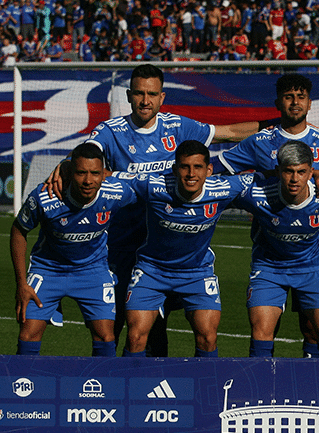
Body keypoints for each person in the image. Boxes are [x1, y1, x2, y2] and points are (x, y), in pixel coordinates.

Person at [46, 64, 264, 357]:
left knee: (158, 326)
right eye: (138, 93)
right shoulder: (111, 131)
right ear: (129, 95)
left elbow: (230, 132)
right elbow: (88, 156)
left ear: (162, 97)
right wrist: (65, 164)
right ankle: (109, 389)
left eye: (151, 94)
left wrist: (280, 125)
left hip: (164, 248)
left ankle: (156, 395)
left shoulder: (178, 126)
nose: (145, 100)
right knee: (116, 326)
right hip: (120, 246)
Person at [211, 73, 319, 358]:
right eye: (289, 97)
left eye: (301, 97)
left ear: (309, 104)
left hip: (311, 256)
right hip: (269, 253)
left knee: (315, 330)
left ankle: (316, 387)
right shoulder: (259, 142)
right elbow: (215, 168)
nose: (295, 102)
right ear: (278, 102)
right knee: (264, 330)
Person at [121, 140, 253, 357]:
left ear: (209, 170)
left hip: (197, 274)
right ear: (175, 169)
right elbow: (109, 176)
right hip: (152, 271)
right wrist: (66, 168)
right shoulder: (154, 186)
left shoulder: (224, 189)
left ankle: (205, 389)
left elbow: (271, 179)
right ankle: (131, 388)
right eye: (184, 167)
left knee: (208, 336)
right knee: (135, 337)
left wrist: (315, 176)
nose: (191, 174)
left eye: (198, 167)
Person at [233, 140, 319, 358]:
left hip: (313, 268)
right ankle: (263, 389)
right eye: (288, 172)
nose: (294, 179)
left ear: (311, 172)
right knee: (261, 332)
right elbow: (214, 195)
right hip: (269, 269)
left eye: (301, 172)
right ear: (277, 171)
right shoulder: (256, 195)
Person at [12, 144, 135, 357]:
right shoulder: (45, 197)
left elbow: (152, 198)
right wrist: (22, 284)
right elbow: (18, 231)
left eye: (95, 173)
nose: (88, 180)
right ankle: (23, 388)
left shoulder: (116, 192)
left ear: (104, 174)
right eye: (81, 173)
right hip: (48, 269)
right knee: (28, 333)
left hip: (92, 270)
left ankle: (102, 387)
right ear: (69, 172)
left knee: (106, 336)